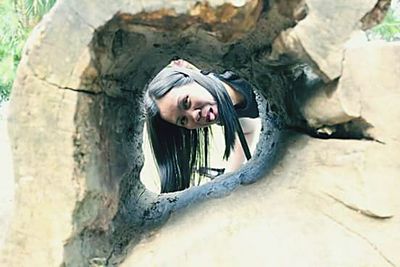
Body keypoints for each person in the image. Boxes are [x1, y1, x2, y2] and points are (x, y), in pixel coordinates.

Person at [144, 59, 260, 193]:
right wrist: (227, 179)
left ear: (192, 78)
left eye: (186, 102)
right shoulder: (221, 112)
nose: (194, 116)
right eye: (183, 120)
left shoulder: (236, 70)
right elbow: (247, 130)